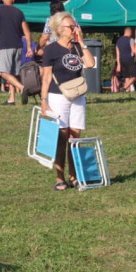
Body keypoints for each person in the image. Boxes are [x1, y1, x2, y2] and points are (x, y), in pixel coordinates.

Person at [40, 12, 96, 190]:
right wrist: (43, 100)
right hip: (58, 96)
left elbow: (90, 63)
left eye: (74, 26)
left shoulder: (77, 47)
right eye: (70, 27)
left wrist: (81, 42)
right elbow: (46, 77)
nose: (73, 29)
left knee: (75, 136)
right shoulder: (51, 50)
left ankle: (74, 176)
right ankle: (59, 176)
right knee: (61, 136)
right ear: (58, 30)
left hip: (78, 95)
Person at [0, 0, 31, 106]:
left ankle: (22, 87)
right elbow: (27, 32)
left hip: (6, 44)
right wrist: (29, 47)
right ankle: (12, 99)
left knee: (2, 71)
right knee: (12, 73)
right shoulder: (19, 12)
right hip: (18, 45)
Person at [115, 26, 136, 93]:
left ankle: (128, 91)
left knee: (127, 76)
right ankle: (125, 87)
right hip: (129, 59)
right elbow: (134, 51)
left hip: (122, 60)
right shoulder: (131, 40)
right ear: (129, 32)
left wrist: (118, 65)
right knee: (134, 76)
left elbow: (117, 54)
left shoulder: (118, 41)